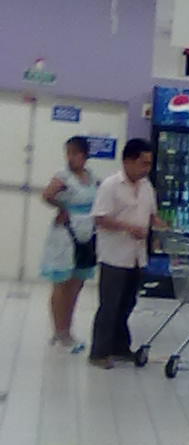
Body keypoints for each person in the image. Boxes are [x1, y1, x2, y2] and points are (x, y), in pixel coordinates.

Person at [89, 137, 161, 370]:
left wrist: (161, 227)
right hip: (114, 256)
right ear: (128, 161)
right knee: (109, 306)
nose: (147, 168)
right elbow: (100, 218)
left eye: (149, 164)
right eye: (143, 163)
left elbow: (152, 215)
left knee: (127, 304)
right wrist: (129, 228)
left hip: (137, 257)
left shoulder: (147, 187)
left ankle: (119, 347)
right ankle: (99, 352)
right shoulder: (110, 185)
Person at [40, 134, 99, 353]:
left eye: (75, 153)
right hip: (65, 233)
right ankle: (59, 331)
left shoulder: (92, 178)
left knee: (76, 284)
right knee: (61, 283)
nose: (71, 158)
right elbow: (47, 195)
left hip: (87, 232)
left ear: (85, 155)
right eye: (68, 153)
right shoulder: (63, 176)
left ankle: (68, 329)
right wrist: (62, 207)